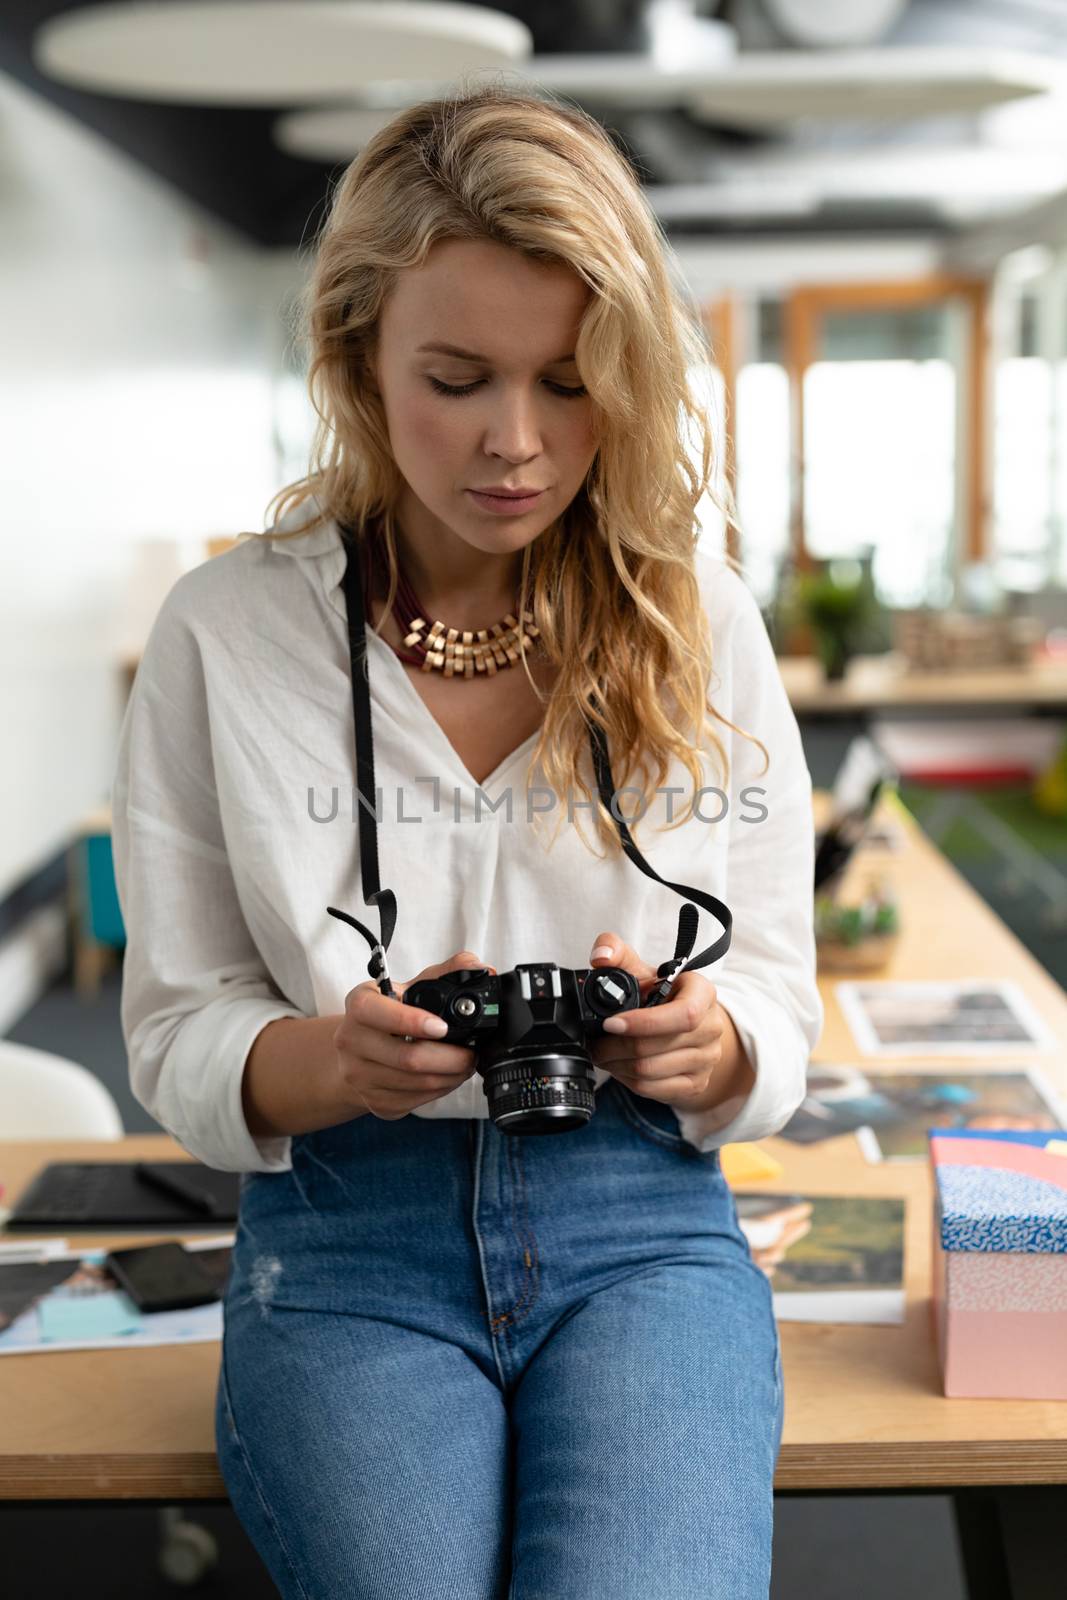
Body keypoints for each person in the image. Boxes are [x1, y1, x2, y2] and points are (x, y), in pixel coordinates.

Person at [111, 83, 823, 1600]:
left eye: (570, 383)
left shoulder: (699, 619)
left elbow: (777, 997)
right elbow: (177, 1029)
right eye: (456, 377)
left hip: (641, 1218)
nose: (517, 443)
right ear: (358, 359)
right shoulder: (225, 639)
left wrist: (715, 1046)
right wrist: (333, 1064)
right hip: (349, 1228)